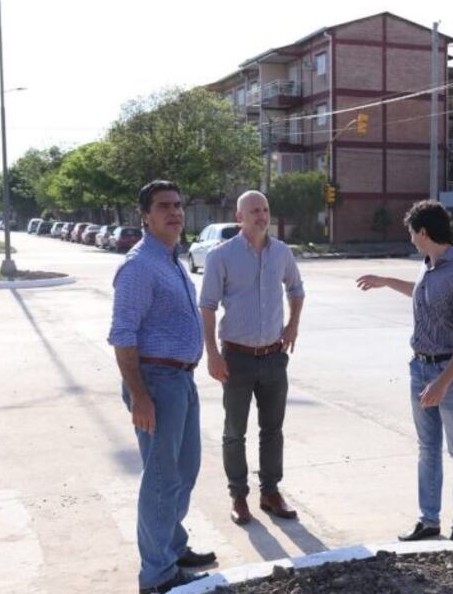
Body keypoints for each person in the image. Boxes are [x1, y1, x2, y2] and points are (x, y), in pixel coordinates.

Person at [108, 180, 215, 594]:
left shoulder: (172, 260)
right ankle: (157, 575)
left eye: (178, 205)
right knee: (161, 478)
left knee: (184, 471)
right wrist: (139, 395)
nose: (174, 212)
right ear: (145, 217)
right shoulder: (138, 266)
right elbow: (123, 335)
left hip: (181, 379)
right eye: (164, 206)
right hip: (156, 382)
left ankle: (172, 545)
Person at [356, 200, 453, 542]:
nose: (411, 239)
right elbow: (423, 295)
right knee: (428, 449)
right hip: (420, 368)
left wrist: (442, 382)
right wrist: (385, 281)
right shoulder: (430, 265)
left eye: (412, 233)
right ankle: (429, 521)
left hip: (449, 374)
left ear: (424, 233)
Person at [199, 190, 305, 525]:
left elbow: (297, 290)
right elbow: (208, 307)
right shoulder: (221, 257)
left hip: (274, 357)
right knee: (234, 431)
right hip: (237, 359)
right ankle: (239, 495)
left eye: (265, 210)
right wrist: (213, 353)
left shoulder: (282, 253)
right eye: (254, 211)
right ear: (239, 216)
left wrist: (292, 327)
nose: (262, 216)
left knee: (272, 430)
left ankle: (270, 492)